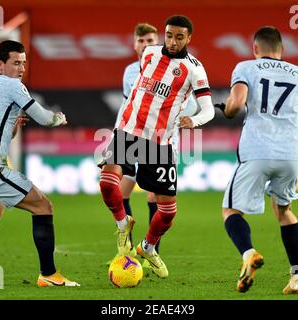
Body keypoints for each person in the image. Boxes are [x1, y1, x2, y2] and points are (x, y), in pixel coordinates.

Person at [216, 26, 298, 294]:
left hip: (256, 151)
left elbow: (237, 103)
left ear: (255, 49)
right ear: (282, 50)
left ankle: (248, 253)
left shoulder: (246, 68)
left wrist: (226, 110)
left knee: (231, 211)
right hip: (290, 154)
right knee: (284, 211)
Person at [0, 40, 80, 287]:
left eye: (24, 63)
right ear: (0, 64)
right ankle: (49, 275)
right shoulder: (13, 85)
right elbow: (43, 117)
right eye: (15, 63)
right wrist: (58, 119)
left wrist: (11, 127)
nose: (21, 68)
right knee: (43, 206)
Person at [99, 15, 214, 278]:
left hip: (160, 143)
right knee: (107, 182)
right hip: (128, 131)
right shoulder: (149, 54)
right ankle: (122, 224)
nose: (173, 42)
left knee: (167, 213)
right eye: (169, 35)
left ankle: (148, 247)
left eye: (179, 37)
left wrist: (193, 120)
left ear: (189, 38)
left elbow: (208, 110)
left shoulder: (194, 69)